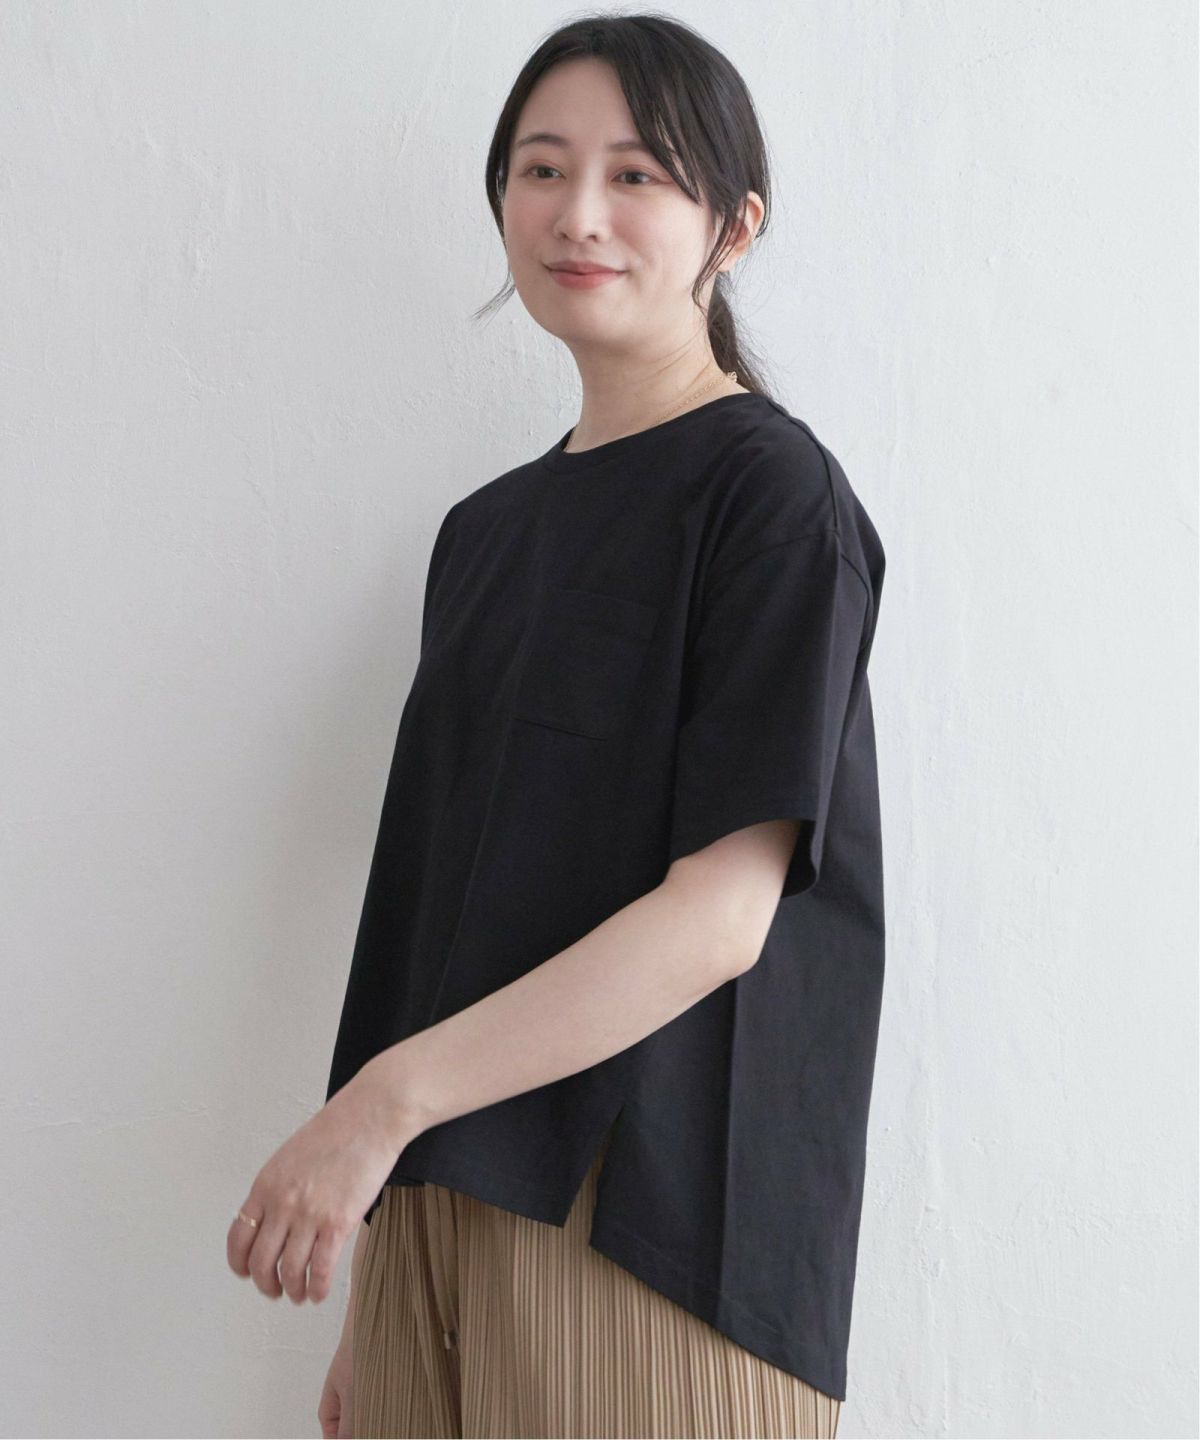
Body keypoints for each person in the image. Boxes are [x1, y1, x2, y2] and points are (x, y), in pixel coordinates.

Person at [226, 14, 887, 1440]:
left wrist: (375, 1111)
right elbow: (440, 918)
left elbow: (721, 919)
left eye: (637, 175)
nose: (578, 214)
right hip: (431, 1209)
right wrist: (383, 1275)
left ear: (735, 226)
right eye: (541, 169)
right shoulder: (483, 535)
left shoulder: (771, 498)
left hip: (647, 1236)